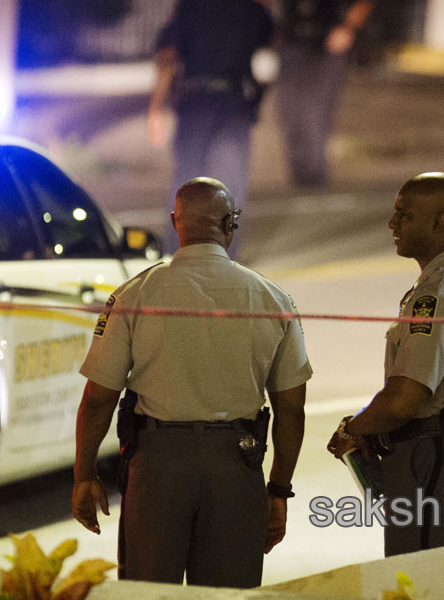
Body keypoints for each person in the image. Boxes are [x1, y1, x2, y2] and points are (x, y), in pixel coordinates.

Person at [72, 177, 311, 588]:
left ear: (174, 222)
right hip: (236, 467)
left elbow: (98, 398)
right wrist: (278, 490)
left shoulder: (133, 295)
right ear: (228, 224)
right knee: (227, 595)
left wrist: (83, 474)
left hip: (157, 468)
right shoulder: (274, 299)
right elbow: (291, 408)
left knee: (150, 593)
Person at [327, 172, 444, 600]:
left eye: (404, 216)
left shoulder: (438, 296)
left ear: (439, 222)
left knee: (414, 590)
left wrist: (353, 430)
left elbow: (405, 397)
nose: (393, 224)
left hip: (433, 458)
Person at [148, 0, 274, 255]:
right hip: (232, 101)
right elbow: (269, 50)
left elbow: (167, 55)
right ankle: (223, 259)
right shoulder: (250, 8)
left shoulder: (190, 6)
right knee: (228, 187)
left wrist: (156, 107)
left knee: (187, 186)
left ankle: (179, 255)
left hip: (197, 100)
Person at [275, 0, 374, 188]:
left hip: (327, 44)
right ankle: (298, 183)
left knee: (312, 116)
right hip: (290, 43)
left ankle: (314, 184)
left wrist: (348, 28)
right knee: (289, 115)